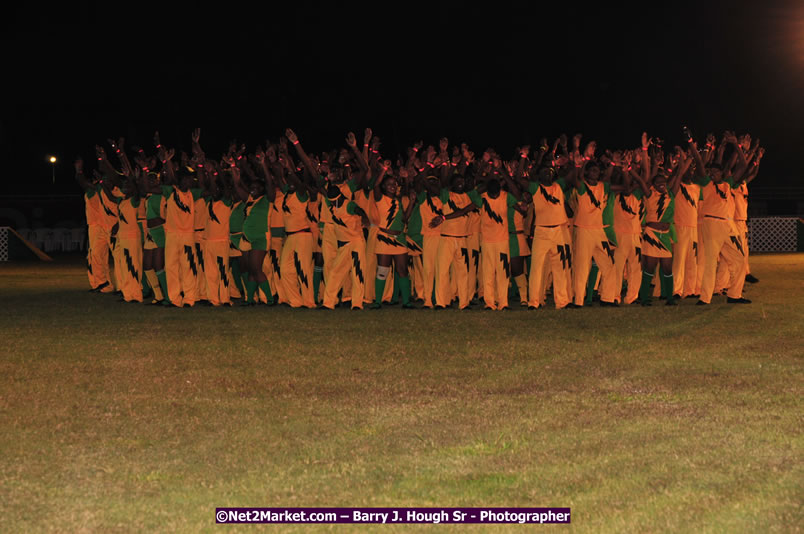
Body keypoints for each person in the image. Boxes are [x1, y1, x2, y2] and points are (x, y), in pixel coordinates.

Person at [688, 130, 751, 305]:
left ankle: (734, 295)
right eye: (711, 172)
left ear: (722, 174)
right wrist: (691, 142)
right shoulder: (706, 184)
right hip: (712, 224)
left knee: (739, 259)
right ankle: (705, 298)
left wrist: (737, 146)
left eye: (716, 172)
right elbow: (700, 163)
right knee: (710, 262)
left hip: (728, 225)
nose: (712, 174)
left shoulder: (728, 184)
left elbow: (743, 167)